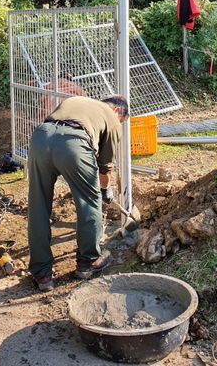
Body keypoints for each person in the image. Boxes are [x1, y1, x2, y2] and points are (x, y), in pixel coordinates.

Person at [27, 95, 129, 291]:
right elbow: (105, 168)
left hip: (40, 138)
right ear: (118, 111)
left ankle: (42, 275)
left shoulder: (77, 101)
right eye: (122, 121)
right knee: (89, 202)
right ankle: (88, 261)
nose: (120, 124)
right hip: (74, 145)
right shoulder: (112, 119)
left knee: (38, 205)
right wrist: (105, 190)